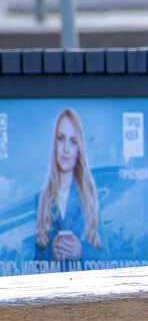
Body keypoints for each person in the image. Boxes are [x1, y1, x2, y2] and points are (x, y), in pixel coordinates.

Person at [34, 107, 103, 270]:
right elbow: (34, 260)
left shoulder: (90, 195)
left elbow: (107, 256)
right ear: (54, 144)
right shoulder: (41, 199)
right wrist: (51, 252)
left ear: (79, 149)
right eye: (60, 139)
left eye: (73, 142)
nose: (65, 149)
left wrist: (81, 252)